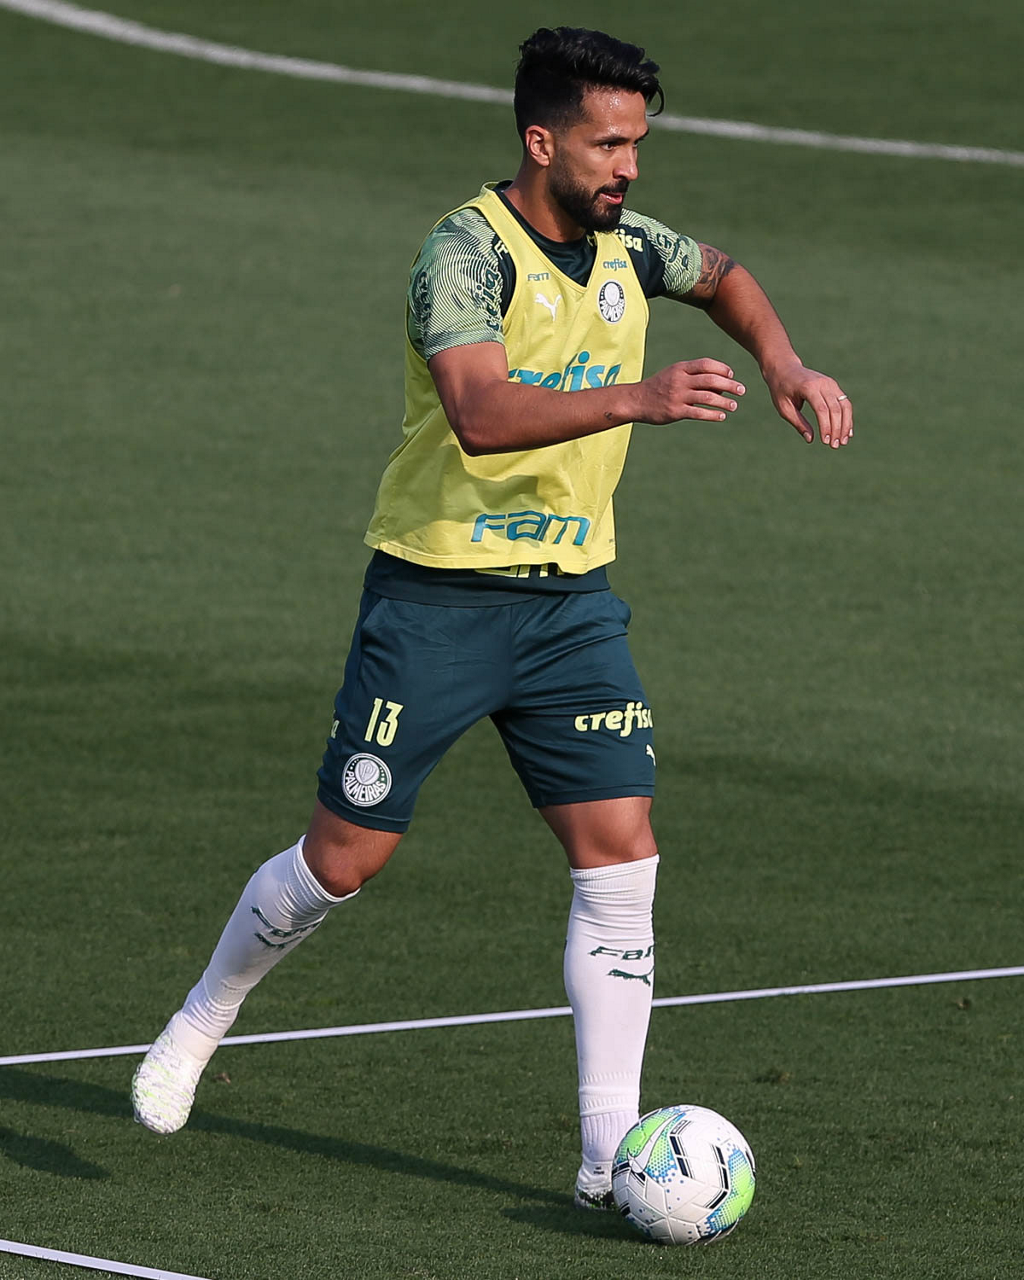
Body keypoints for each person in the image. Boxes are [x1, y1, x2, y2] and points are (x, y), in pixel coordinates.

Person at [131, 26, 852, 1210]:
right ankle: (202, 1018)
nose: (628, 166)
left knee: (620, 856)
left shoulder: (630, 244)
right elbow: (477, 412)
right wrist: (639, 396)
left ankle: (606, 1154)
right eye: (606, 143)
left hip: (571, 607)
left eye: (637, 144)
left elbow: (721, 273)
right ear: (541, 140)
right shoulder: (463, 253)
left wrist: (781, 359)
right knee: (344, 858)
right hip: (436, 599)